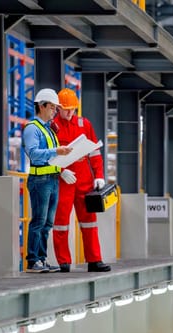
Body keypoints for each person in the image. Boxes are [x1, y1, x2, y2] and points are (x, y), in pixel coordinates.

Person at [51, 88, 111, 273]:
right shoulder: (52, 127)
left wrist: (99, 175)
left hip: (84, 178)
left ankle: (94, 260)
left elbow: (94, 152)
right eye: (66, 109)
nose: (70, 113)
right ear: (58, 108)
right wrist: (60, 171)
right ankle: (63, 262)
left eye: (73, 109)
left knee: (89, 221)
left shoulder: (84, 124)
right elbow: (49, 155)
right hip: (64, 180)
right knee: (61, 221)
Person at [23, 88, 72, 273]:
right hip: (40, 180)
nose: (54, 111)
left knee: (47, 223)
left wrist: (66, 160)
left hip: (52, 179)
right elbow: (34, 154)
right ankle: (32, 260)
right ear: (41, 106)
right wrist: (57, 152)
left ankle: (41, 259)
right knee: (39, 221)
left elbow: (52, 157)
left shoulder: (48, 129)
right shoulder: (32, 129)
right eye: (52, 107)